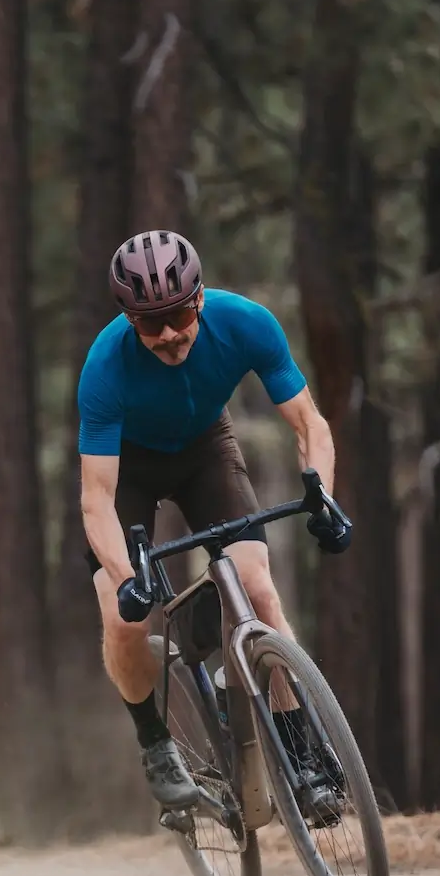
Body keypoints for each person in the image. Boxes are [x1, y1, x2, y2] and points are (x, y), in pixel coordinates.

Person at [76, 229, 344, 807]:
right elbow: (97, 499)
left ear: (198, 298)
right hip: (130, 466)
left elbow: (310, 425)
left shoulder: (245, 323)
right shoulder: (105, 366)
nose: (169, 334)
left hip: (205, 450)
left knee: (258, 591)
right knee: (124, 619)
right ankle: (154, 742)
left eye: (178, 315)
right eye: (151, 324)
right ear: (129, 320)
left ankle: (301, 756)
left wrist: (323, 494)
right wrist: (126, 581)